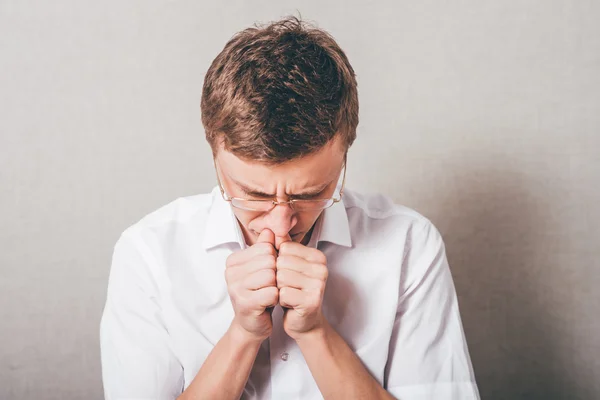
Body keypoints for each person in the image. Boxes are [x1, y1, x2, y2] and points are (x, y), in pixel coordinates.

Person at [100, 16, 480, 400]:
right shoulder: (147, 255)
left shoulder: (409, 246)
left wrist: (315, 333)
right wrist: (242, 335)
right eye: (254, 194)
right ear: (214, 153)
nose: (282, 223)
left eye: (311, 192)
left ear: (344, 154)